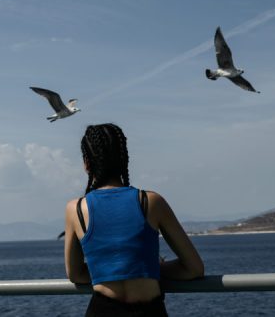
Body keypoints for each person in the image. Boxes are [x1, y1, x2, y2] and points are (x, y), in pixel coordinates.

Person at [64, 123, 204, 316]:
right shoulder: (151, 202)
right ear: (124, 159)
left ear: (87, 163)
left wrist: (109, 268)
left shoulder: (76, 209)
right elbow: (194, 269)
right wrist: (147, 267)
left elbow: (76, 275)